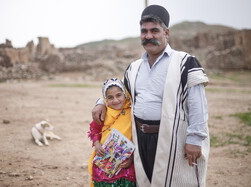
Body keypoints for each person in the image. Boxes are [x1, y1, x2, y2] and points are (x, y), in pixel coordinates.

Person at [92, 5, 210, 187]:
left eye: (154, 30)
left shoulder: (185, 62)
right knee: (146, 182)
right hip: (140, 138)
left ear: (166, 32)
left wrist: (194, 140)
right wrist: (101, 102)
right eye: (144, 31)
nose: (148, 36)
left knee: (178, 181)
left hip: (173, 139)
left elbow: (198, 104)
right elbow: (121, 95)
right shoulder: (134, 67)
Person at [88, 78, 136, 187]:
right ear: (105, 99)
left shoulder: (132, 112)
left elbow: (138, 138)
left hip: (125, 163)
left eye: (119, 95)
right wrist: (96, 144)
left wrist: (132, 157)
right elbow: (95, 130)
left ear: (125, 94)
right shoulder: (103, 112)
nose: (115, 100)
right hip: (104, 160)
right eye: (110, 97)